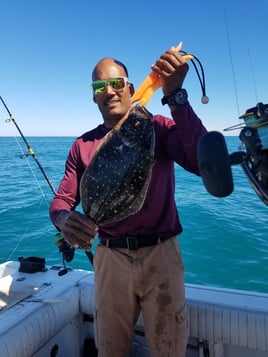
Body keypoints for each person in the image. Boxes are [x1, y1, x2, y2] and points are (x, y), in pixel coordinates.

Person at [49, 47, 208, 357]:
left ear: (131, 89)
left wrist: (175, 95)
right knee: (110, 349)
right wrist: (65, 220)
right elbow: (62, 201)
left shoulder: (158, 128)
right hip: (110, 260)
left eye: (117, 83)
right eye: (99, 87)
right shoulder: (82, 146)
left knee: (169, 348)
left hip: (161, 255)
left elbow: (201, 162)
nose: (109, 91)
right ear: (93, 96)